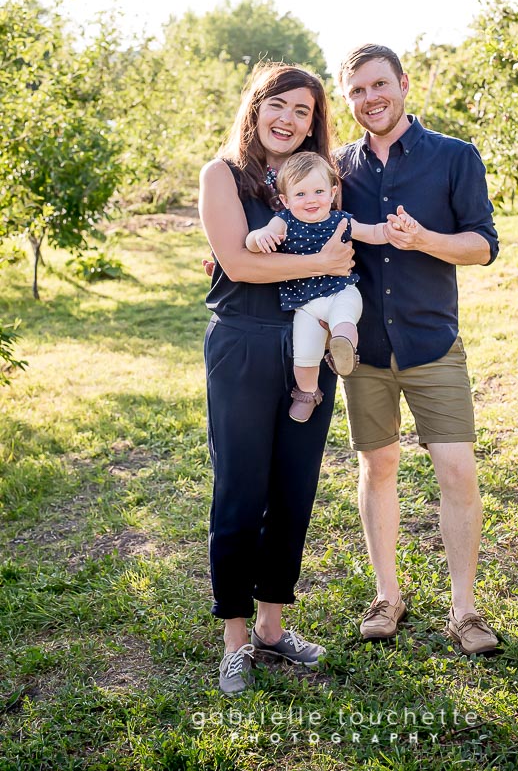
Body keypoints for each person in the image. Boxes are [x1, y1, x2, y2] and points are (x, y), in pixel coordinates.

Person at [336, 43, 501, 656]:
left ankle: (465, 610)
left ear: (404, 84)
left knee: (456, 469)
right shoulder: (336, 168)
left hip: (432, 343)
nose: (370, 98)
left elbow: (483, 246)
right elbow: (300, 220)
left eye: (379, 84)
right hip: (364, 350)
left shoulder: (455, 156)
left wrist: (424, 239)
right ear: (347, 99)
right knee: (377, 467)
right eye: (357, 91)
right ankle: (388, 596)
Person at [198, 62, 354, 694]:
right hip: (243, 344)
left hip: (308, 347)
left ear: (314, 124)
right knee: (240, 489)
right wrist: (319, 263)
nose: (289, 120)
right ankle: (235, 638)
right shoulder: (222, 175)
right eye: (279, 105)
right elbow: (238, 266)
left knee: (294, 488)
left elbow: (350, 247)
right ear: (256, 107)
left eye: (303, 111)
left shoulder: (318, 178)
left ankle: (270, 626)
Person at [246, 151, 413, 422]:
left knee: (344, 319)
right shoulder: (284, 221)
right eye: (300, 194)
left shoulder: (341, 220)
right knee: (304, 354)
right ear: (286, 200)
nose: (311, 200)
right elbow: (253, 241)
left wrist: (391, 229)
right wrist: (260, 237)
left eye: (319, 191)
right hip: (306, 305)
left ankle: (343, 349)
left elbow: (372, 232)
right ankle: (307, 392)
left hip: (340, 291)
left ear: (333, 192)